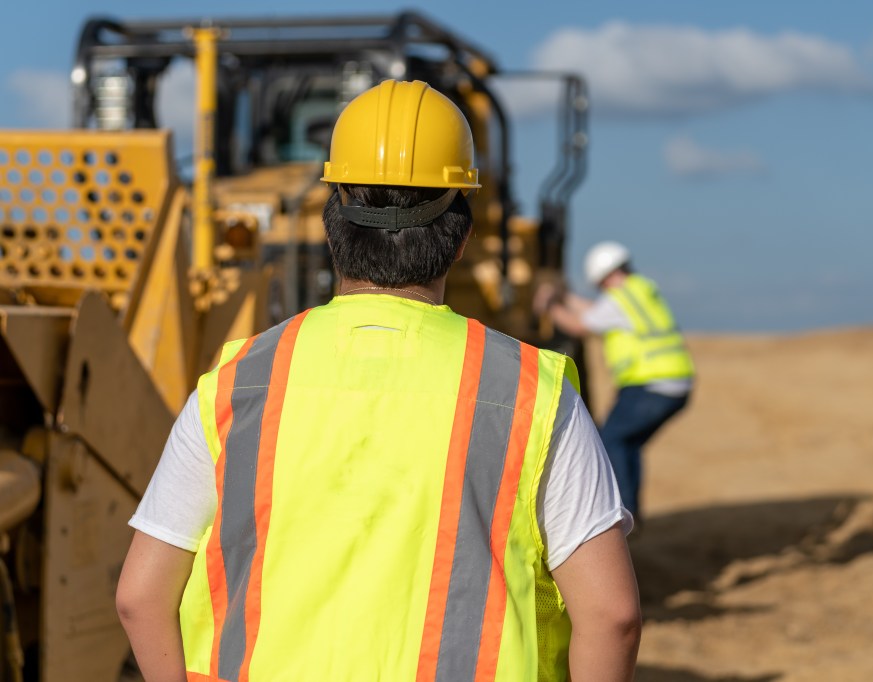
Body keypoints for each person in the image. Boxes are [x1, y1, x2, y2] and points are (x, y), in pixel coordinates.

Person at [115, 80, 641, 682]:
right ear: (462, 239)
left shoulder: (236, 384)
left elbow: (139, 598)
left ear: (331, 228)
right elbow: (613, 617)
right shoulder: (532, 394)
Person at [534, 241, 695, 520]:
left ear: (606, 276)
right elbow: (595, 310)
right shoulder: (637, 291)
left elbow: (579, 325)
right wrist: (565, 296)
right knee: (627, 443)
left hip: (653, 384)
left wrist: (550, 306)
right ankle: (632, 511)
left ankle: (622, 513)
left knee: (611, 440)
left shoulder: (618, 300)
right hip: (672, 383)